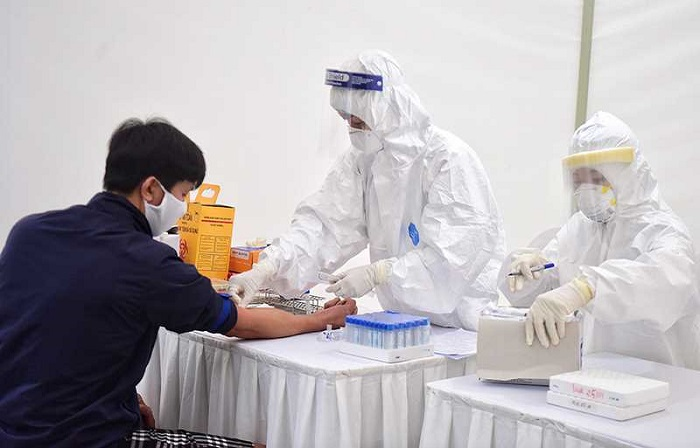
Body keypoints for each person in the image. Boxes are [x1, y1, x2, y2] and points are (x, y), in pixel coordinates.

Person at [0, 118, 357, 448]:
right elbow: (241, 323)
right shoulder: (148, 263)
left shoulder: (29, 233)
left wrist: (124, 397)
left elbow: (56, 331)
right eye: (184, 195)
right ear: (151, 190)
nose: (185, 208)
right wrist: (319, 320)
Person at [230, 50, 505, 330]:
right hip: (400, 323)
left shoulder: (448, 160)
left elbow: (452, 262)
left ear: (386, 106)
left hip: (461, 327)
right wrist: (269, 268)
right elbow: (326, 228)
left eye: (358, 118)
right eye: (345, 117)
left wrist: (380, 273)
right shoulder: (365, 159)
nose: (351, 126)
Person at [501, 111, 700, 369]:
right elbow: (546, 288)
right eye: (578, 180)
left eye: (596, 178)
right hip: (594, 376)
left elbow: (661, 282)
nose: (586, 190)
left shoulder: (663, 231)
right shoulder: (580, 229)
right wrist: (528, 273)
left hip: (660, 379)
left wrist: (587, 288)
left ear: (625, 175)